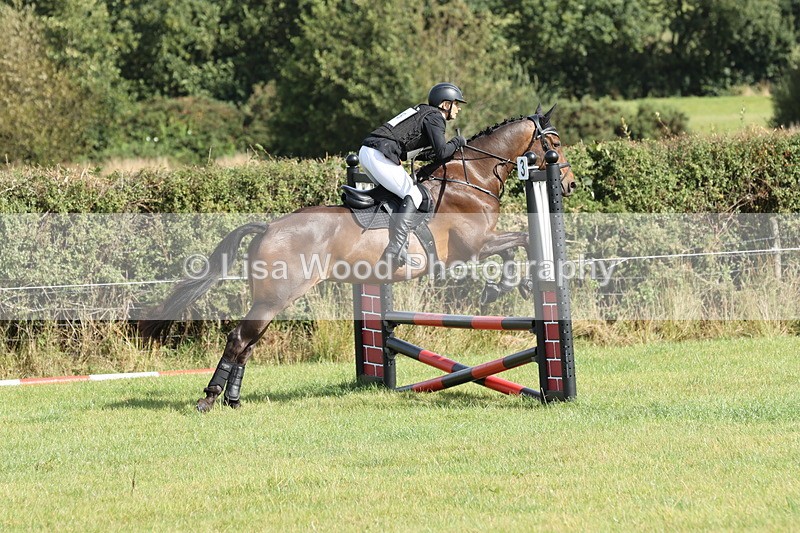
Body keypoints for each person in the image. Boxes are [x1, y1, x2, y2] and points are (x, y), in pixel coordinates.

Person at [359, 82, 467, 267]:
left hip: (369, 151)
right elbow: (441, 153)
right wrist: (457, 142)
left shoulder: (423, 111)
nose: (457, 109)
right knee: (414, 194)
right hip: (379, 153)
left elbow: (421, 152)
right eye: (456, 104)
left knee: (397, 196)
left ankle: (392, 242)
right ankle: (396, 249)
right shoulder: (435, 117)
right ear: (445, 104)